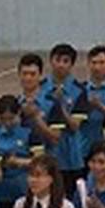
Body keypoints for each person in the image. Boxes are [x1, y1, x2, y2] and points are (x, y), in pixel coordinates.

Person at [39, 44, 88, 185]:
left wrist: (60, 104)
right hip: (47, 153)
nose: (61, 65)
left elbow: (75, 126)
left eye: (65, 61)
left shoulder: (79, 90)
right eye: (57, 60)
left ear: (72, 65)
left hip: (70, 157)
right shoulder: (40, 87)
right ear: (51, 61)